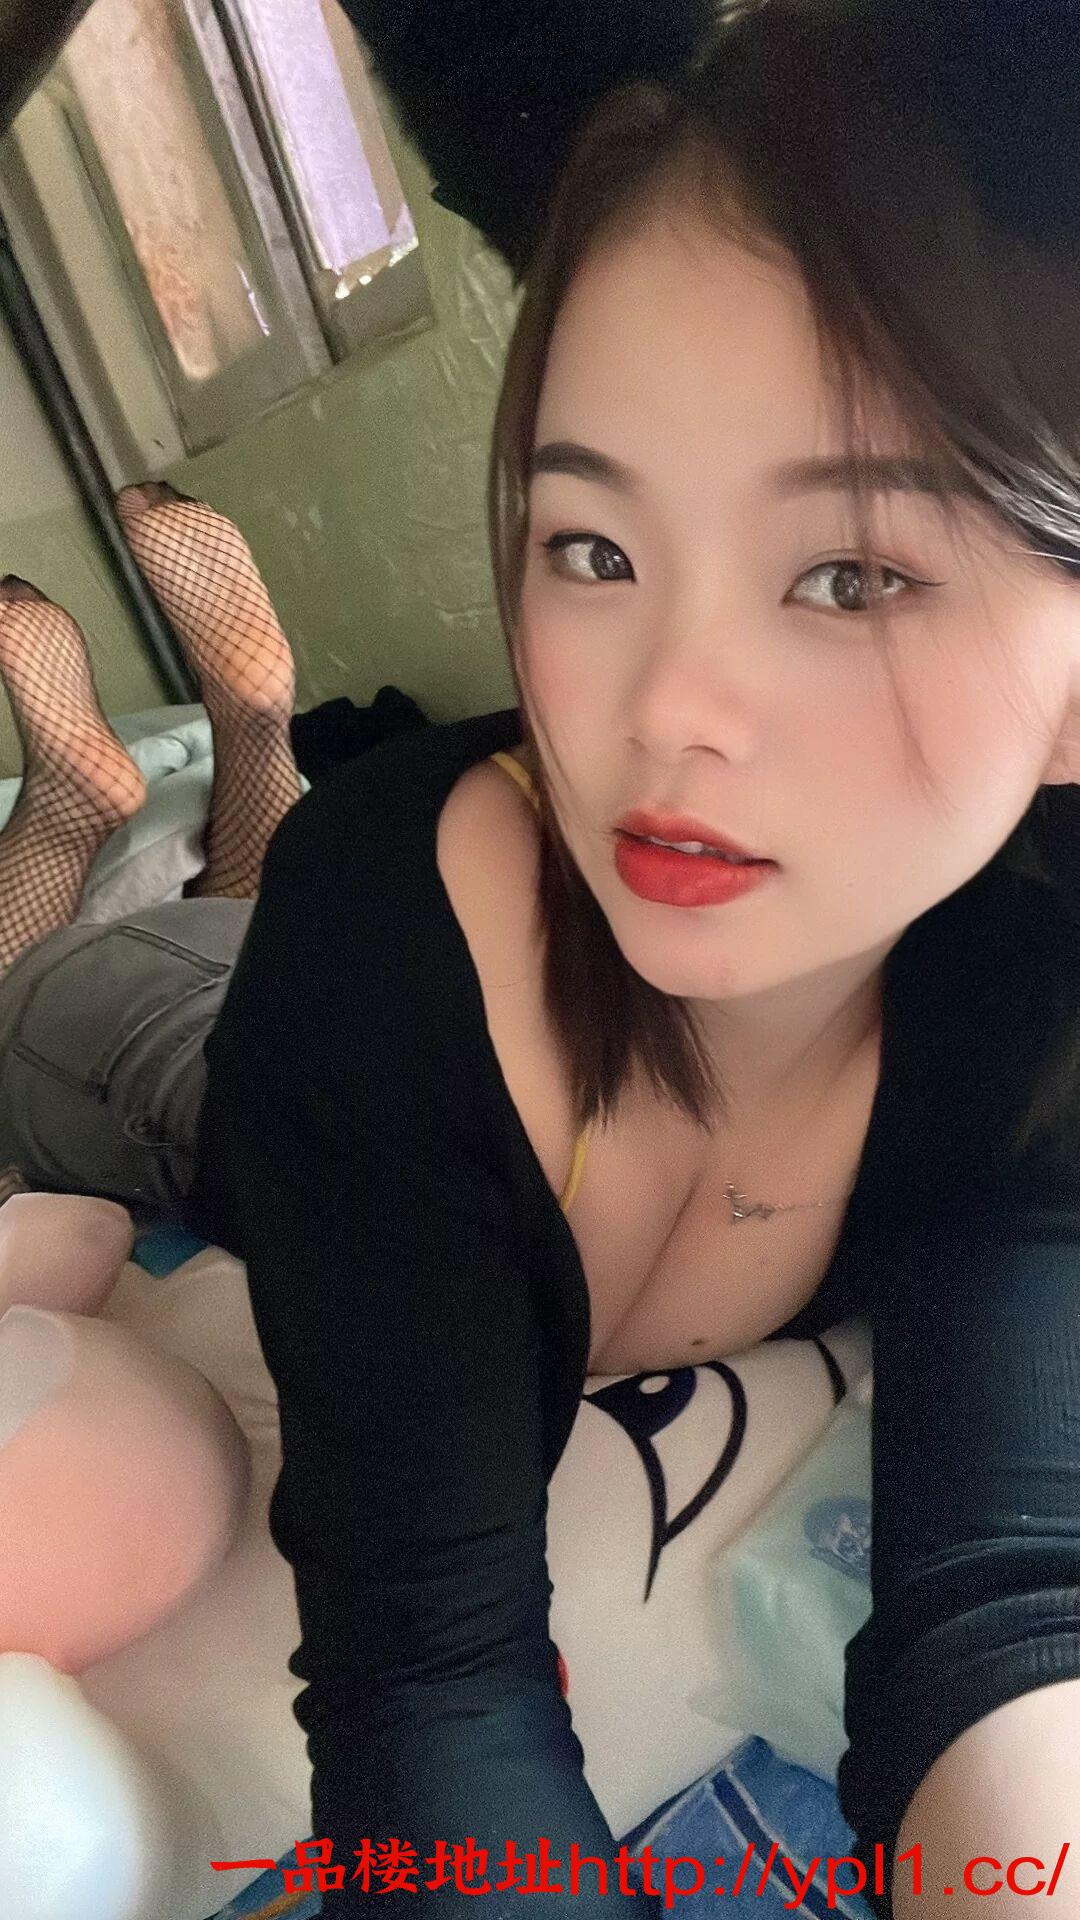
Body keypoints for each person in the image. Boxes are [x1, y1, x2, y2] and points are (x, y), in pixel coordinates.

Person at [0, 5, 1078, 1917]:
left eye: (849, 575)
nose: (664, 710)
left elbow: (1013, 1604)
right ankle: (118, 798)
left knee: (280, 869)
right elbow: (424, 1674)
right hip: (200, 1045)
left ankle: (233, 755)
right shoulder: (381, 944)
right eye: (593, 547)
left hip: (386, 969)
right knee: (69, 969)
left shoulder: (1043, 1008)